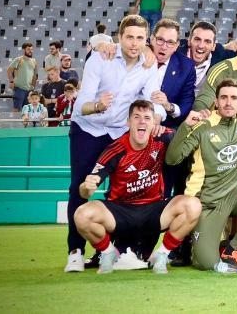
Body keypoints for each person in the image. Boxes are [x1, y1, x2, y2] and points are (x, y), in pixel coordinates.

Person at [65, 15, 164, 273]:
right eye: (129, 37)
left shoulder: (148, 64)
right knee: (80, 187)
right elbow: (82, 104)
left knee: (121, 192)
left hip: (119, 131)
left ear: (147, 40)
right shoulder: (100, 57)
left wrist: (155, 117)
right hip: (89, 129)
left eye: (140, 38)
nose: (134, 43)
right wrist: (99, 105)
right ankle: (75, 251)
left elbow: (151, 102)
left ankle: (113, 252)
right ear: (119, 37)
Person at [74, 100, 201, 274]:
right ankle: (108, 252)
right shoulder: (115, 149)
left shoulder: (163, 138)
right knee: (82, 214)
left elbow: (186, 135)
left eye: (147, 118)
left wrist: (193, 121)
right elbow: (85, 191)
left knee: (193, 205)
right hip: (121, 212)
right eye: (137, 117)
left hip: (154, 210)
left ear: (154, 123)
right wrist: (86, 188)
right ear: (128, 122)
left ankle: (162, 255)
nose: (142, 122)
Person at [166, 79, 237, 273]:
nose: (228, 102)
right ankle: (191, 243)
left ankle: (231, 249)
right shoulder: (203, 126)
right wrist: (185, 126)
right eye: (224, 97)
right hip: (206, 202)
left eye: (234, 98)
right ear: (216, 102)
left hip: (233, 195)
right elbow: (172, 159)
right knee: (206, 263)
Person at [147, 19, 197, 134]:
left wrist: (168, 106)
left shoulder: (186, 67)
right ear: (152, 39)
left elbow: (187, 103)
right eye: (160, 40)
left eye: (170, 42)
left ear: (176, 45)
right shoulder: (140, 54)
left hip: (166, 125)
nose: (164, 47)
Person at [7, 41, 37, 113]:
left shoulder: (34, 61)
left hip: (29, 90)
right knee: (16, 109)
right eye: (28, 49)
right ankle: (14, 124)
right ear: (24, 50)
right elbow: (9, 71)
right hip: (19, 89)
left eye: (31, 49)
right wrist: (11, 81)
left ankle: (25, 124)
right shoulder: (19, 59)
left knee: (27, 111)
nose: (30, 51)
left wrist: (32, 87)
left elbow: (35, 75)